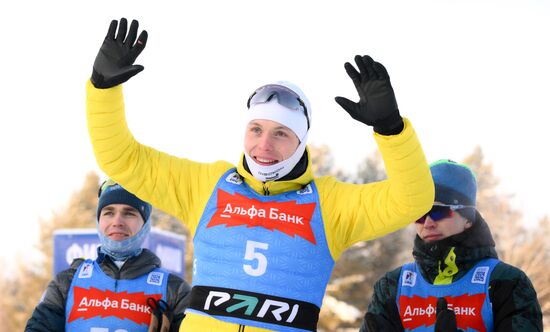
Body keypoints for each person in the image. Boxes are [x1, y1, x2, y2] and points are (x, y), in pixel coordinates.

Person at [85, 17, 434, 331]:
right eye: (255, 129)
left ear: (301, 140)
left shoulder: (329, 203)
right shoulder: (207, 185)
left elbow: (413, 199)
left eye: (280, 133)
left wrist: (391, 130)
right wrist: (103, 89)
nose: (264, 145)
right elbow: (121, 159)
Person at [360, 160, 543, 332]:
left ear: (467, 219)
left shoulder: (506, 282)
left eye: (438, 211)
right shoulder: (392, 286)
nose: (428, 222)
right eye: (419, 213)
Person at [25, 180, 191, 332]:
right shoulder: (66, 283)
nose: (117, 221)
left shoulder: (174, 290)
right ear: (98, 221)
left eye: (129, 213)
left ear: (145, 224)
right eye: (109, 212)